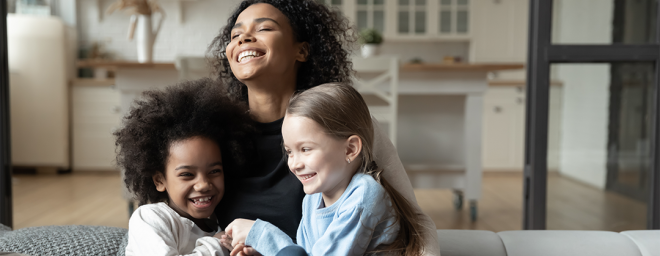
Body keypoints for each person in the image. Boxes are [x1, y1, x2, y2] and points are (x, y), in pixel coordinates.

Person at [208, 1, 440, 255]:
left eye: (263, 28)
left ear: (302, 51)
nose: (244, 39)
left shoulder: (345, 124)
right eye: (235, 35)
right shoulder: (213, 132)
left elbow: (415, 221)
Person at [226, 83, 425, 256]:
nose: (294, 164)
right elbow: (305, 252)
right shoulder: (312, 200)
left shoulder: (365, 195)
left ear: (350, 149)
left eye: (305, 149)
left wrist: (263, 235)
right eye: (289, 152)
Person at [114, 78, 254, 256]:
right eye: (187, 174)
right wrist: (217, 245)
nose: (203, 184)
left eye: (214, 171)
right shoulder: (151, 218)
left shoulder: (223, 223)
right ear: (159, 180)